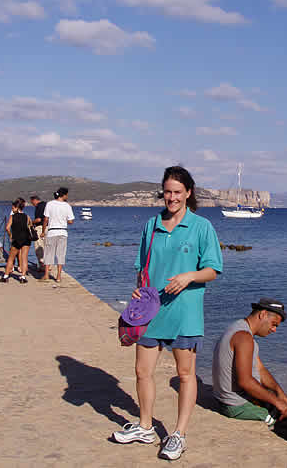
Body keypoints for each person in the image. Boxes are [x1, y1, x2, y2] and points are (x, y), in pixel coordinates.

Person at [113, 166, 223, 461]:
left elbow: (213, 270)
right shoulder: (151, 225)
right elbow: (142, 267)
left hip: (185, 313)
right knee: (141, 371)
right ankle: (146, 426)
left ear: (188, 193)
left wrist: (189, 277)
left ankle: (179, 434)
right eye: (167, 192)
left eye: (177, 192)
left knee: (185, 375)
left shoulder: (201, 227)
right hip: (151, 312)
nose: (171, 197)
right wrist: (139, 289)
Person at [212, 297, 287, 426]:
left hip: (241, 398)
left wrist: (280, 394)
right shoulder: (244, 337)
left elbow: (260, 369)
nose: (274, 330)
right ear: (262, 314)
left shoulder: (241, 329)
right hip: (236, 405)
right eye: (274, 324)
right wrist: (278, 403)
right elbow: (245, 382)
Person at [41, 187, 75, 283]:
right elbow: (71, 221)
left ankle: (46, 274)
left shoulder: (50, 204)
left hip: (52, 231)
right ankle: (59, 276)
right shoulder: (67, 206)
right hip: (63, 232)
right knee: (61, 254)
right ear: (64, 195)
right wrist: (65, 220)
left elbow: (46, 219)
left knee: (48, 253)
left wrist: (43, 231)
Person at [0, 198, 32, 283]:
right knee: (24, 258)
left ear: (16, 207)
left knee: (11, 258)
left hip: (16, 239)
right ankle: (23, 277)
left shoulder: (12, 217)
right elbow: (30, 226)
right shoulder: (27, 216)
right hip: (26, 239)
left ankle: (5, 276)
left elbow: (7, 228)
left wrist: (11, 235)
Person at [30, 195, 47, 271]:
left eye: (32, 202)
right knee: (46, 247)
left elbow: (39, 219)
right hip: (47, 227)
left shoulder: (39, 206)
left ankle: (42, 266)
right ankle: (47, 266)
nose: (32, 204)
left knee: (39, 247)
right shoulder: (46, 205)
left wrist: (30, 222)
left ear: (34, 200)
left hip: (40, 228)